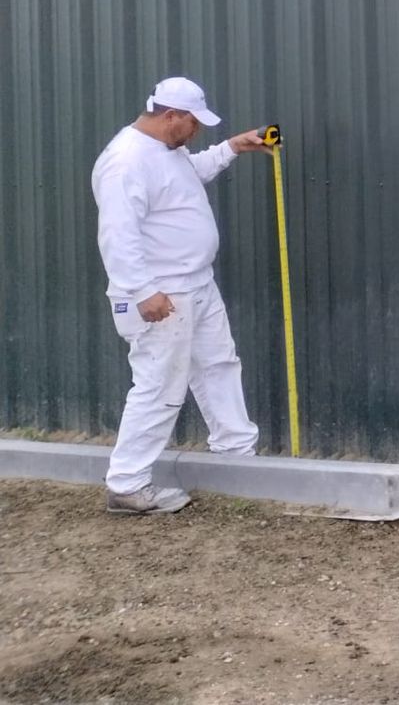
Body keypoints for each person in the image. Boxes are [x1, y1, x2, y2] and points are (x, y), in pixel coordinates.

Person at [92, 77, 270, 515]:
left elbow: (189, 176)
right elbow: (118, 235)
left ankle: (237, 457)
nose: (196, 132)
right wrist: (143, 291)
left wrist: (232, 148)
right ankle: (128, 484)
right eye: (193, 124)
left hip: (194, 284)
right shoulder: (126, 161)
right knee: (159, 384)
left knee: (218, 365)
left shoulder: (167, 152)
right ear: (170, 116)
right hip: (162, 294)